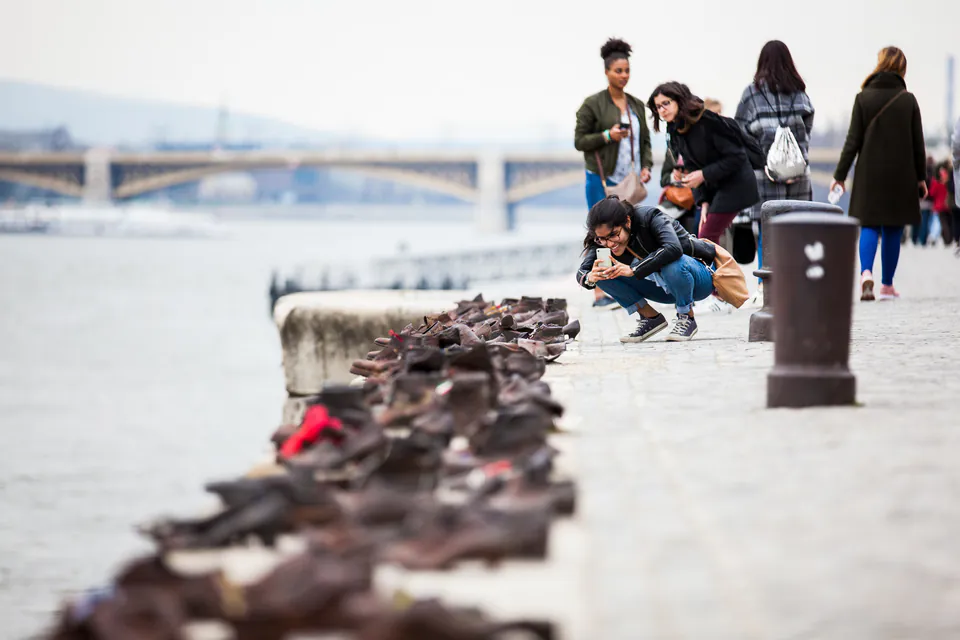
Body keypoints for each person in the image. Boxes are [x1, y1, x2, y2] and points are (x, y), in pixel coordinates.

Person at [831, 46, 927, 301]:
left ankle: (865, 273)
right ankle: (887, 285)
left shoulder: (863, 98)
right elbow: (919, 144)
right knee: (893, 228)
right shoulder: (908, 100)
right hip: (901, 174)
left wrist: (839, 175)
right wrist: (921, 178)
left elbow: (852, 142)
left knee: (869, 225)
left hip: (869, 174)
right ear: (901, 69)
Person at [575, 37, 653, 309]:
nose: (624, 76)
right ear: (607, 71)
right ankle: (599, 290)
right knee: (600, 233)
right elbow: (580, 141)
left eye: (627, 70)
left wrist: (646, 166)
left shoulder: (636, 105)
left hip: (628, 180)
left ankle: (624, 283)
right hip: (601, 179)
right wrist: (608, 135)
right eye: (618, 71)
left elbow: (644, 141)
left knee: (625, 233)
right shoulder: (593, 104)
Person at [735, 40, 815, 303]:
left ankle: (764, 286)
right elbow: (808, 129)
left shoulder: (751, 94)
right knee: (796, 231)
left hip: (763, 174)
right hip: (798, 172)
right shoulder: (800, 94)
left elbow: (740, 132)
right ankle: (796, 284)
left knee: (766, 231)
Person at [576, 196, 717, 343]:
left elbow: (674, 248)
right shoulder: (602, 239)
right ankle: (651, 318)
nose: (609, 243)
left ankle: (686, 317)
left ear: (627, 222)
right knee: (602, 272)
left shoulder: (650, 217)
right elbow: (582, 272)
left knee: (671, 262)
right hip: (663, 291)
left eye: (614, 235)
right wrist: (590, 278)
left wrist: (634, 269)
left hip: (698, 281)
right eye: (602, 239)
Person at [647, 82, 760, 246]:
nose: (662, 110)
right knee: (705, 238)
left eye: (666, 103)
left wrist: (703, 175)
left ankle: (717, 272)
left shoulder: (708, 122)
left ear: (679, 101)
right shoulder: (675, 129)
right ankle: (717, 272)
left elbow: (737, 157)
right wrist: (704, 202)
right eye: (658, 106)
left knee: (707, 237)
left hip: (737, 185)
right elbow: (692, 166)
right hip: (715, 188)